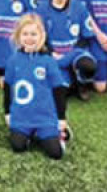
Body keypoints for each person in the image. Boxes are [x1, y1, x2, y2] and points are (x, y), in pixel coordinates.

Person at [4, 14, 69, 159]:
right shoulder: (13, 60)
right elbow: (8, 87)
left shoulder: (48, 61)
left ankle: (58, 133)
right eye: (25, 34)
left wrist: (61, 118)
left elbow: (59, 90)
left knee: (55, 153)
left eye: (34, 34)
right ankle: (30, 134)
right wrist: (7, 113)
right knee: (18, 146)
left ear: (42, 36)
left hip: (45, 117)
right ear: (18, 36)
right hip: (22, 117)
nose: (29, 38)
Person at [35, 0, 97, 101]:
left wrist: (71, 54)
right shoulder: (41, 9)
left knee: (88, 66)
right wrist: (51, 52)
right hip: (52, 55)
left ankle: (82, 83)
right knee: (60, 90)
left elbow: (86, 37)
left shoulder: (79, 7)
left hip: (74, 53)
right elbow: (39, 36)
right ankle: (69, 79)